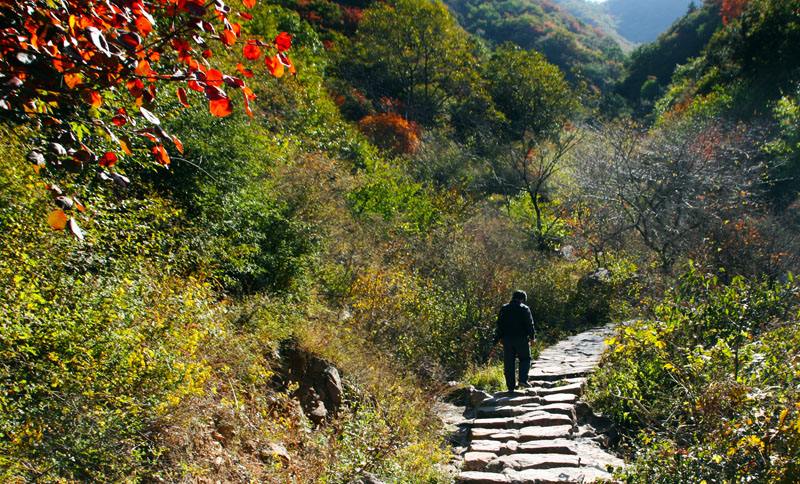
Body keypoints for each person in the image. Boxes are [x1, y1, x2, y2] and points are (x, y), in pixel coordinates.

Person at [491, 290, 536, 392]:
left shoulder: (504, 308)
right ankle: (523, 380)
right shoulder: (524, 309)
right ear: (523, 299)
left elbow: (499, 325)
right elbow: (530, 324)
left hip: (507, 340)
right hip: (521, 339)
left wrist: (497, 339)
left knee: (509, 363)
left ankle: (510, 387)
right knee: (525, 359)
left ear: (513, 297)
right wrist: (532, 337)